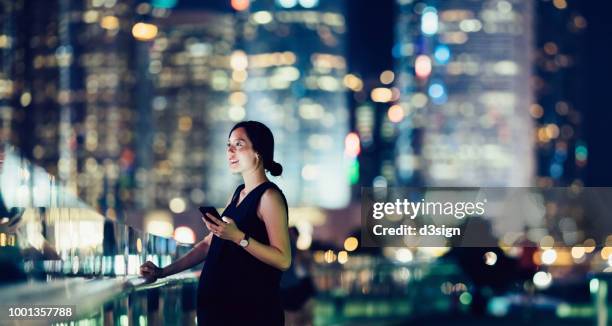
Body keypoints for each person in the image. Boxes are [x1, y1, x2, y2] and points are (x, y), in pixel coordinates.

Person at [140, 121, 291, 325]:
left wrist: (239, 237)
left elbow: (283, 259)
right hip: (220, 311)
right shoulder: (238, 193)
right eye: (228, 144)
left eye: (238, 144)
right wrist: (162, 271)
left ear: (258, 152)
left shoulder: (269, 197)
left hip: (251, 313)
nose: (229, 150)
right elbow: (206, 245)